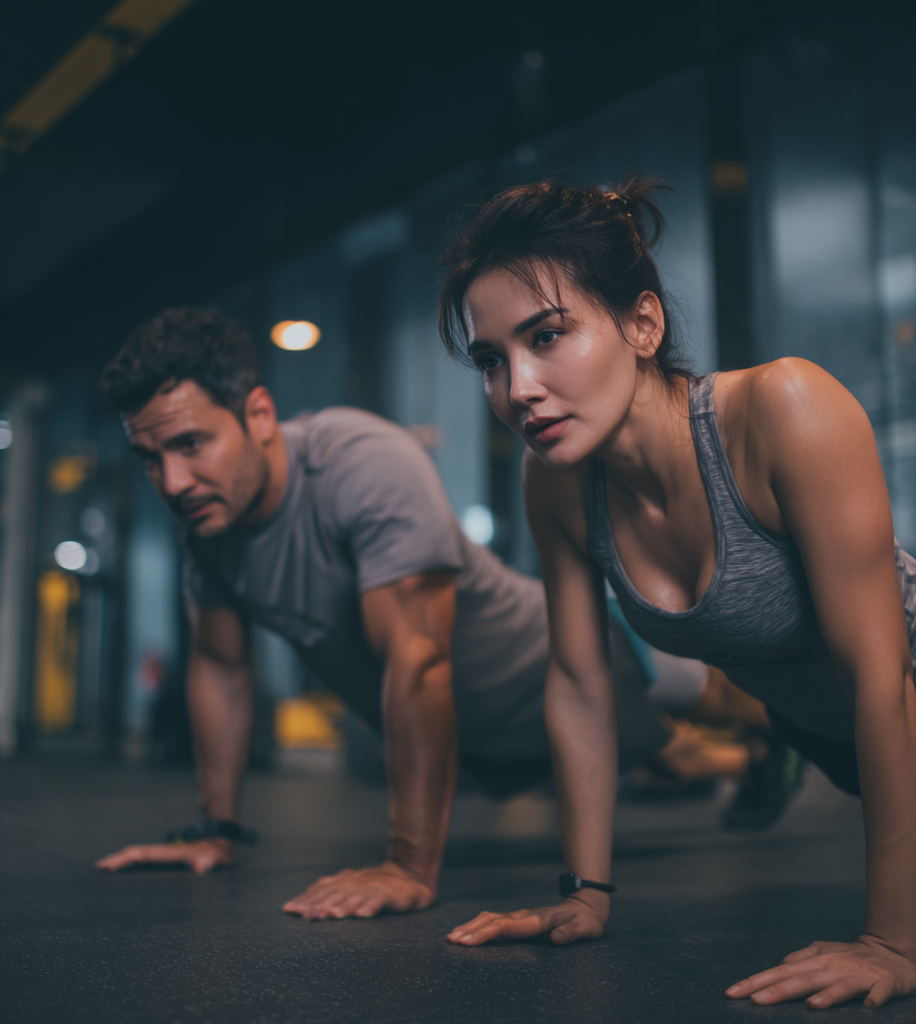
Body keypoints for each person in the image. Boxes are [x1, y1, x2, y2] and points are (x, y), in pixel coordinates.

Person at [437, 176, 916, 1009]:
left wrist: (889, 944)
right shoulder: (558, 483)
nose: (518, 387)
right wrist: (585, 893)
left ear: (644, 323)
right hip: (840, 747)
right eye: (492, 360)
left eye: (548, 335)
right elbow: (579, 685)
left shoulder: (784, 409)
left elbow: (879, 679)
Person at [92, 307, 788, 918]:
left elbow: (419, 658)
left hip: (565, 655)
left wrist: (407, 864)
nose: (173, 482)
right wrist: (217, 827)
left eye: (190, 444)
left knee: (736, 699)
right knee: (664, 759)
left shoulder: (356, 463)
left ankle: (788, 731)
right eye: (150, 458)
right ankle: (754, 759)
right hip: (487, 739)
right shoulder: (207, 532)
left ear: (260, 416)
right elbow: (221, 669)